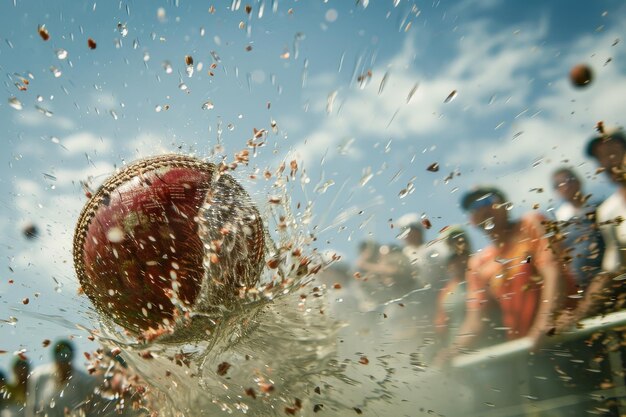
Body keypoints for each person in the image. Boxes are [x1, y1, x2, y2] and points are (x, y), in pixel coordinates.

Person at [551, 167, 605, 289]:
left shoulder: (601, 208)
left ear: (579, 181)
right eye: (558, 184)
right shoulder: (558, 223)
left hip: (607, 280)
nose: (565, 186)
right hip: (579, 288)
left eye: (568, 180)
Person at [26, 340, 97, 417]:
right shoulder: (39, 375)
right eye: (59, 355)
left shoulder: (85, 380)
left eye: (66, 355)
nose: (63, 362)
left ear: (71, 357)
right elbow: (31, 408)